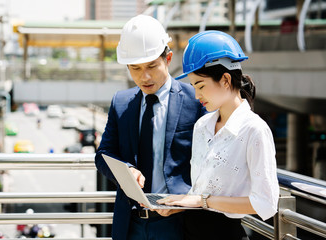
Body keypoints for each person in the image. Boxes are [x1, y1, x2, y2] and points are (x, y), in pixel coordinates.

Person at [156, 30, 280, 239]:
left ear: (225, 79)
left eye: (201, 86)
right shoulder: (202, 125)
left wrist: (202, 201)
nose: (197, 95)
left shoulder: (254, 129)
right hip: (189, 230)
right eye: (194, 86)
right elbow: (200, 190)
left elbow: (266, 204)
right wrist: (182, 203)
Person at [95, 15, 206, 240]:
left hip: (179, 221)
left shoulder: (196, 101)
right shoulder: (121, 102)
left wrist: (188, 200)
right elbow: (103, 155)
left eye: (152, 66)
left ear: (168, 59)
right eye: (135, 68)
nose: (144, 76)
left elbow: (211, 161)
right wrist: (127, 170)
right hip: (131, 223)